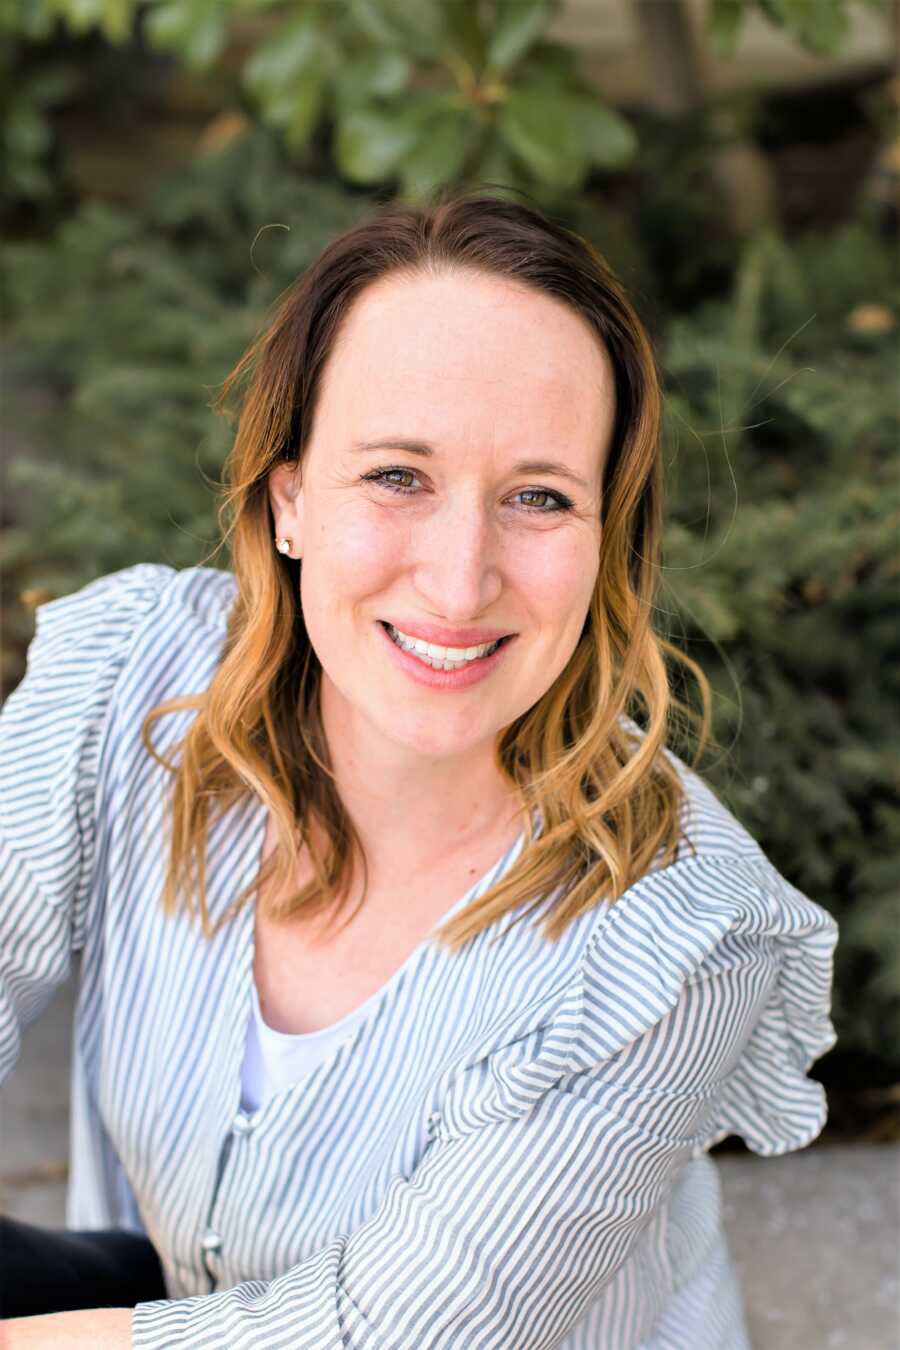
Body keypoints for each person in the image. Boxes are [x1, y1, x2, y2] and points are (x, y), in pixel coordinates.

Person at [0, 190, 838, 1349]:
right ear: (290, 498)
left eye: (539, 498)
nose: (458, 582)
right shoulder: (130, 679)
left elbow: (389, 1335)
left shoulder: (684, 937)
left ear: (608, 548)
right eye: (398, 476)